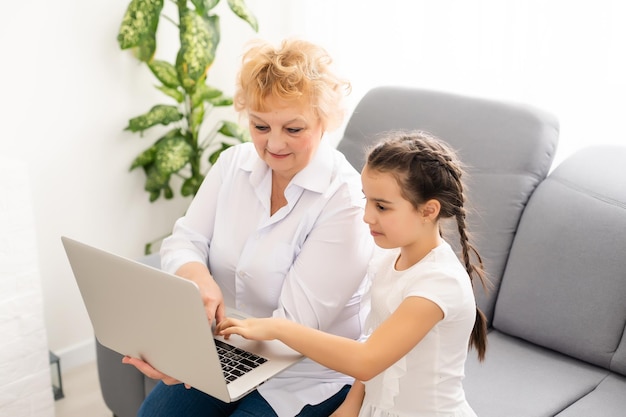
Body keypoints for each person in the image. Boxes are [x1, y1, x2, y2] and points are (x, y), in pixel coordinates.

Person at [123, 38, 375, 416]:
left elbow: (293, 331)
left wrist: (189, 359)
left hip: (304, 371)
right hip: (227, 350)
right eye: (260, 125)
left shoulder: (345, 201)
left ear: (325, 120)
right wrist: (197, 278)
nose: (274, 144)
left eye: (293, 129)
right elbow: (185, 241)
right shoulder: (233, 165)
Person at [217, 131, 489, 417]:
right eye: (367, 200)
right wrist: (351, 405)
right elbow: (373, 340)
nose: (367, 216)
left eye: (382, 206)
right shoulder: (387, 259)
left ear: (428, 210)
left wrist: (278, 328)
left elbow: (366, 360)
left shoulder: (438, 284)